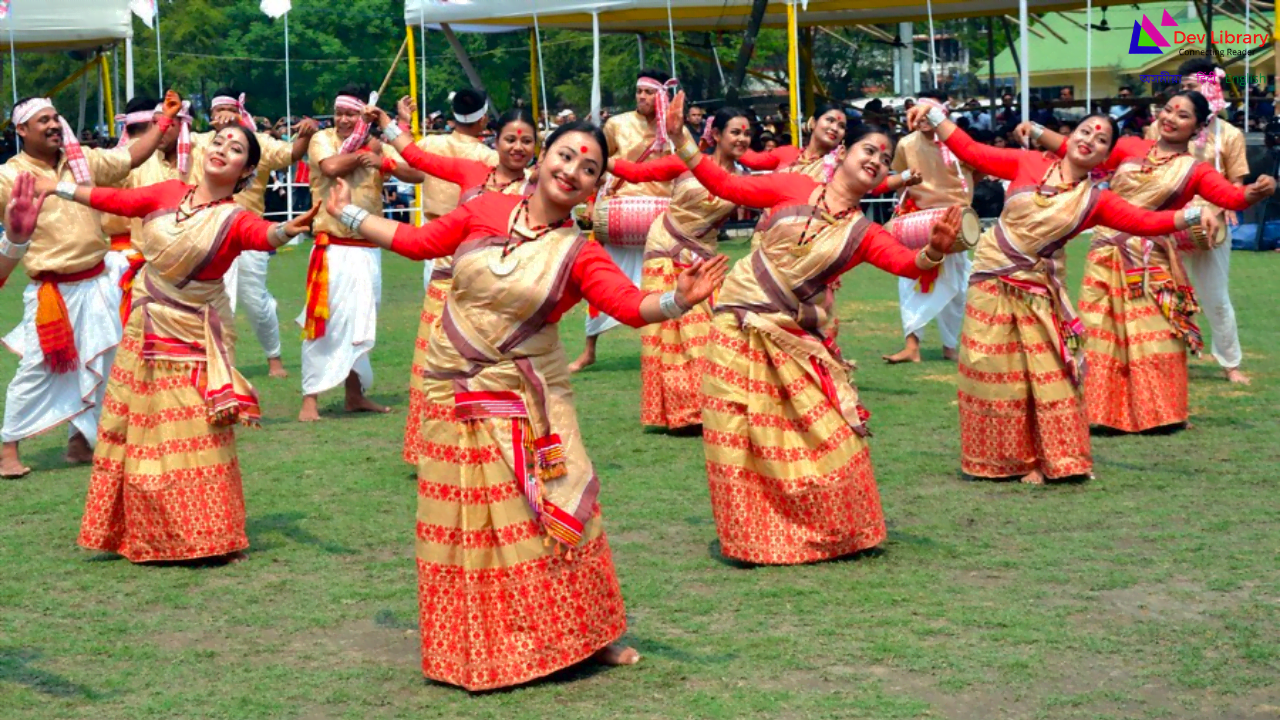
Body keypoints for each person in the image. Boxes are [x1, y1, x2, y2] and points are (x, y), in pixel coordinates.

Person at [321, 119, 727, 690]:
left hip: (522, 399)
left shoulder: (578, 253)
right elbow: (419, 244)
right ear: (541, 160)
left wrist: (676, 299)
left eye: (588, 169)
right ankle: (475, 636)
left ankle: (586, 635)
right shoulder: (483, 209)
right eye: (564, 157)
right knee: (465, 524)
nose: (572, 171)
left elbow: (629, 306)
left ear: (594, 190)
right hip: (450, 391)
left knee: (548, 515)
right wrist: (352, 215)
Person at [657, 92, 962, 564]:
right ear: (843, 154)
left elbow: (906, 263)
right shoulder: (791, 188)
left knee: (827, 438)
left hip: (790, 341)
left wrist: (935, 253)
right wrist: (679, 136)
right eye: (869, 150)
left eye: (885, 160)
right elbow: (723, 183)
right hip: (737, 326)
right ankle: (752, 541)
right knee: (738, 437)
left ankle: (836, 531)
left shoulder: (863, 232)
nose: (877, 161)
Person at [36, 125, 320, 563]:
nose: (224, 149)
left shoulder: (234, 217)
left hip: (192, 335)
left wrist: (287, 231)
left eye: (237, 149)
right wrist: (58, 187)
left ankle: (206, 535)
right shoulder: (166, 191)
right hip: (144, 330)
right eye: (220, 141)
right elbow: (113, 200)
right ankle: (145, 531)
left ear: (246, 171)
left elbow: (260, 236)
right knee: (141, 430)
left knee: (195, 431)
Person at [905, 102, 1215, 485]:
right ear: (1070, 138)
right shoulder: (1028, 163)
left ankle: (1056, 460)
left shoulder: (1095, 200)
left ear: (1105, 157)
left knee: (1047, 375)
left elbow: (1145, 221)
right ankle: (1000, 461)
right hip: (990, 280)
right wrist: (934, 114)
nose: (1090, 140)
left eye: (1102, 140)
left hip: (1036, 291)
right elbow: (972, 151)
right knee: (990, 368)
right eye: (1085, 131)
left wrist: (1193, 215)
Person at [1024, 92, 1274, 433]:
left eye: (1182, 115)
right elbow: (1079, 150)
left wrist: (1260, 189)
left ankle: (1162, 414)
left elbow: (1231, 197)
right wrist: (1036, 130)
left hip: (1150, 259)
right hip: (1106, 253)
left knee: (1154, 334)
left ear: (1198, 127)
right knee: (1101, 332)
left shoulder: (1195, 170)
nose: (1170, 118)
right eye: (1168, 110)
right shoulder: (1129, 148)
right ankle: (1101, 414)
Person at [0, 94, 174, 478]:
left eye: (54, 117)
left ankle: (80, 443)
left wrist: (163, 123)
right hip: (52, 293)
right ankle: (7, 447)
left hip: (97, 281)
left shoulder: (83, 161)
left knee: (105, 363)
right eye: (42, 120)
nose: (51, 125)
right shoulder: (9, 176)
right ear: (21, 130)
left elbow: (129, 158)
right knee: (36, 369)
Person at [369, 100, 537, 463]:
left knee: (491, 373)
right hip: (448, 280)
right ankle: (437, 449)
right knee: (441, 369)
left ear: (536, 146)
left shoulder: (537, 188)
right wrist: (388, 123)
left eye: (526, 141)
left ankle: (491, 452)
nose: (517, 147)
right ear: (496, 137)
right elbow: (417, 157)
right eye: (510, 139)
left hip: (502, 298)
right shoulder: (474, 171)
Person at [605, 107, 752, 431]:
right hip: (665, 247)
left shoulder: (741, 181)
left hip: (703, 256)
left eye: (746, 134)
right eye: (735, 132)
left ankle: (705, 408)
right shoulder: (685, 162)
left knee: (710, 330)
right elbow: (636, 173)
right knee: (672, 328)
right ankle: (686, 415)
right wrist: (595, 155)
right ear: (715, 135)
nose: (742, 138)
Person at [296, 84, 426, 422]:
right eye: (339, 113)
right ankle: (310, 399)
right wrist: (363, 150)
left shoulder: (376, 146)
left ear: (362, 115)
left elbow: (418, 173)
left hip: (369, 250)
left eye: (350, 114)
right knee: (324, 325)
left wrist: (383, 163)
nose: (342, 119)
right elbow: (331, 168)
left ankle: (354, 396)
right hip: (333, 249)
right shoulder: (322, 139)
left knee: (359, 326)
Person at [192, 88, 318, 379]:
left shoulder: (257, 143)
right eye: (217, 112)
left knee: (254, 301)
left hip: (248, 235)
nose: (223, 117)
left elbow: (291, 154)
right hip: (206, 235)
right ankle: (219, 365)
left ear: (239, 114)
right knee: (210, 301)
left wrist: (306, 135)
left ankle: (274, 357)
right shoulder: (198, 143)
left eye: (229, 111)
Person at [1148, 60, 1253, 385]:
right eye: (1185, 85)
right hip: (1167, 221)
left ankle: (1230, 363)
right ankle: (1162, 357)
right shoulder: (1159, 128)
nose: (1187, 92)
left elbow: (1236, 182)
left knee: (1215, 297)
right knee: (1160, 293)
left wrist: (1226, 205)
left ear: (1212, 90)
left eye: (1195, 86)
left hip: (1211, 225)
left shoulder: (1230, 134)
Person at [569, 68, 677, 373]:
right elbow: (596, 165)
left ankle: (669, 351)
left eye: (648, 92)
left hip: (661, 218)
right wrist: (591, 202)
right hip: (618, 213)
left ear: (661, 96)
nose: (641, 97)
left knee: (669, 284)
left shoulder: (674, 129)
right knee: (601, 281)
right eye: (639, 91)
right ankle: (589, 351)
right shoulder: (616, 124)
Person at [883, 92, 976, 365]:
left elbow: (978, 167)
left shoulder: (957, 141)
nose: (922, 118)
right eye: (917, 113)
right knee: (910, 282)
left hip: (954, 220)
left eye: (928, 112)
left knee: (957, 289)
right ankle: (912, 346)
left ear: (940, 114)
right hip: (918, 222)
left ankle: (950, 345)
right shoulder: (905, 144)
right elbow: (899, 178)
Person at [414, 88, 498, 289]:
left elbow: (403, 165)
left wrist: (396, 126)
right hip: (473, 248)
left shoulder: (429, 144)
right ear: (483, 118)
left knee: (436, 314)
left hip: (434, 244)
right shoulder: (489, 158)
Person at [737, 102, 848, 180]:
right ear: (813, 122)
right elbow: (752, 159)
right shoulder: (787, 153)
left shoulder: (841, 166)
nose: (835, 128)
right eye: (830, 120)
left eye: (841, 126)